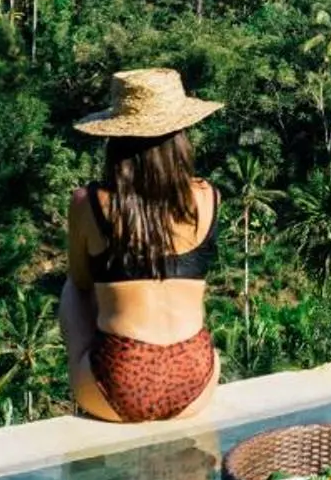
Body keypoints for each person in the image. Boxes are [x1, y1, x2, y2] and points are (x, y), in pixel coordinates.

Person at [59, 68, 226, 423]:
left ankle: (87, 372)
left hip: (117, 379)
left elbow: (81, 282)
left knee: (72, 287)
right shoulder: (208, 196)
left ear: (115, 140)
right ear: (180, 138)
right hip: (195, 378)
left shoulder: (88, 203)